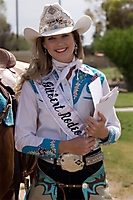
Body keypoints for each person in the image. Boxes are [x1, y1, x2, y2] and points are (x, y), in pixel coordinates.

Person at [15, 2, 121, 200]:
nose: (59, 42)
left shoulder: (96, 79)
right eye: (51, 38)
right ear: (44, 44)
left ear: (75, 38)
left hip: (93, 179)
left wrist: (103, 132)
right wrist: (65, 147)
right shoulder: (33, 84)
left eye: (65, 35)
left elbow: (116, 130)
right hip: (48, 180)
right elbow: (22, 141)